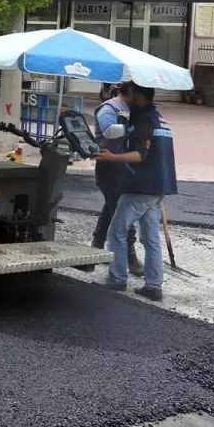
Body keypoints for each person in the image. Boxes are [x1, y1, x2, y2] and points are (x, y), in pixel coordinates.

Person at [97, 85, 178, 301]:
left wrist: (111, 157)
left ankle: (117, 279)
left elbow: (140, 154)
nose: (125, 98)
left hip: (140, 187)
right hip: (159, 187)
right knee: (150, 237)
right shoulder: (159, 118)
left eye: (129, 94)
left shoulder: (143, 121)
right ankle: (153, 286)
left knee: (116, 232)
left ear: (139, 96)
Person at [87, 82, 142, 276]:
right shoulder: (109, 108)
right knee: (121, 210)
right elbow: (109, 130)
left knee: (112, 207)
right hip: (109, 165)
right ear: (132, 91)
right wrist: (132, 129)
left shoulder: (132, 108)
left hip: (124, 164)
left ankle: (95, 248)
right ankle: (130, 258)